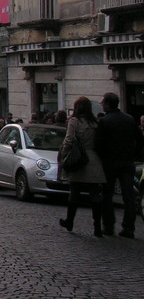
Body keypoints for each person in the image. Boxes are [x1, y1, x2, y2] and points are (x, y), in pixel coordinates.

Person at [96, 92, 144, 238]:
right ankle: (129, 228)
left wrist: (102, 157)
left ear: (108, 104)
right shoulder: (129, 119)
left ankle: (109, 226)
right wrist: (133, 154)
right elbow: (140, 140)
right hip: (127, 162)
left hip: (110, 162)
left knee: (107, 195)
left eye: (103, 102)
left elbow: (99, 143)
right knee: (128, 196)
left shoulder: (105, 121)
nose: (101, 105)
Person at [58, 97, 106, 236]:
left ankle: (70, 222)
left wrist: (64, 155)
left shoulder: (74, 121)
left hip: (78, 158)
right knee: (95, 194)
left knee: (74, 193)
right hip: (94, 159)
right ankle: (97, 227)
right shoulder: (95, 122)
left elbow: (69, 139)